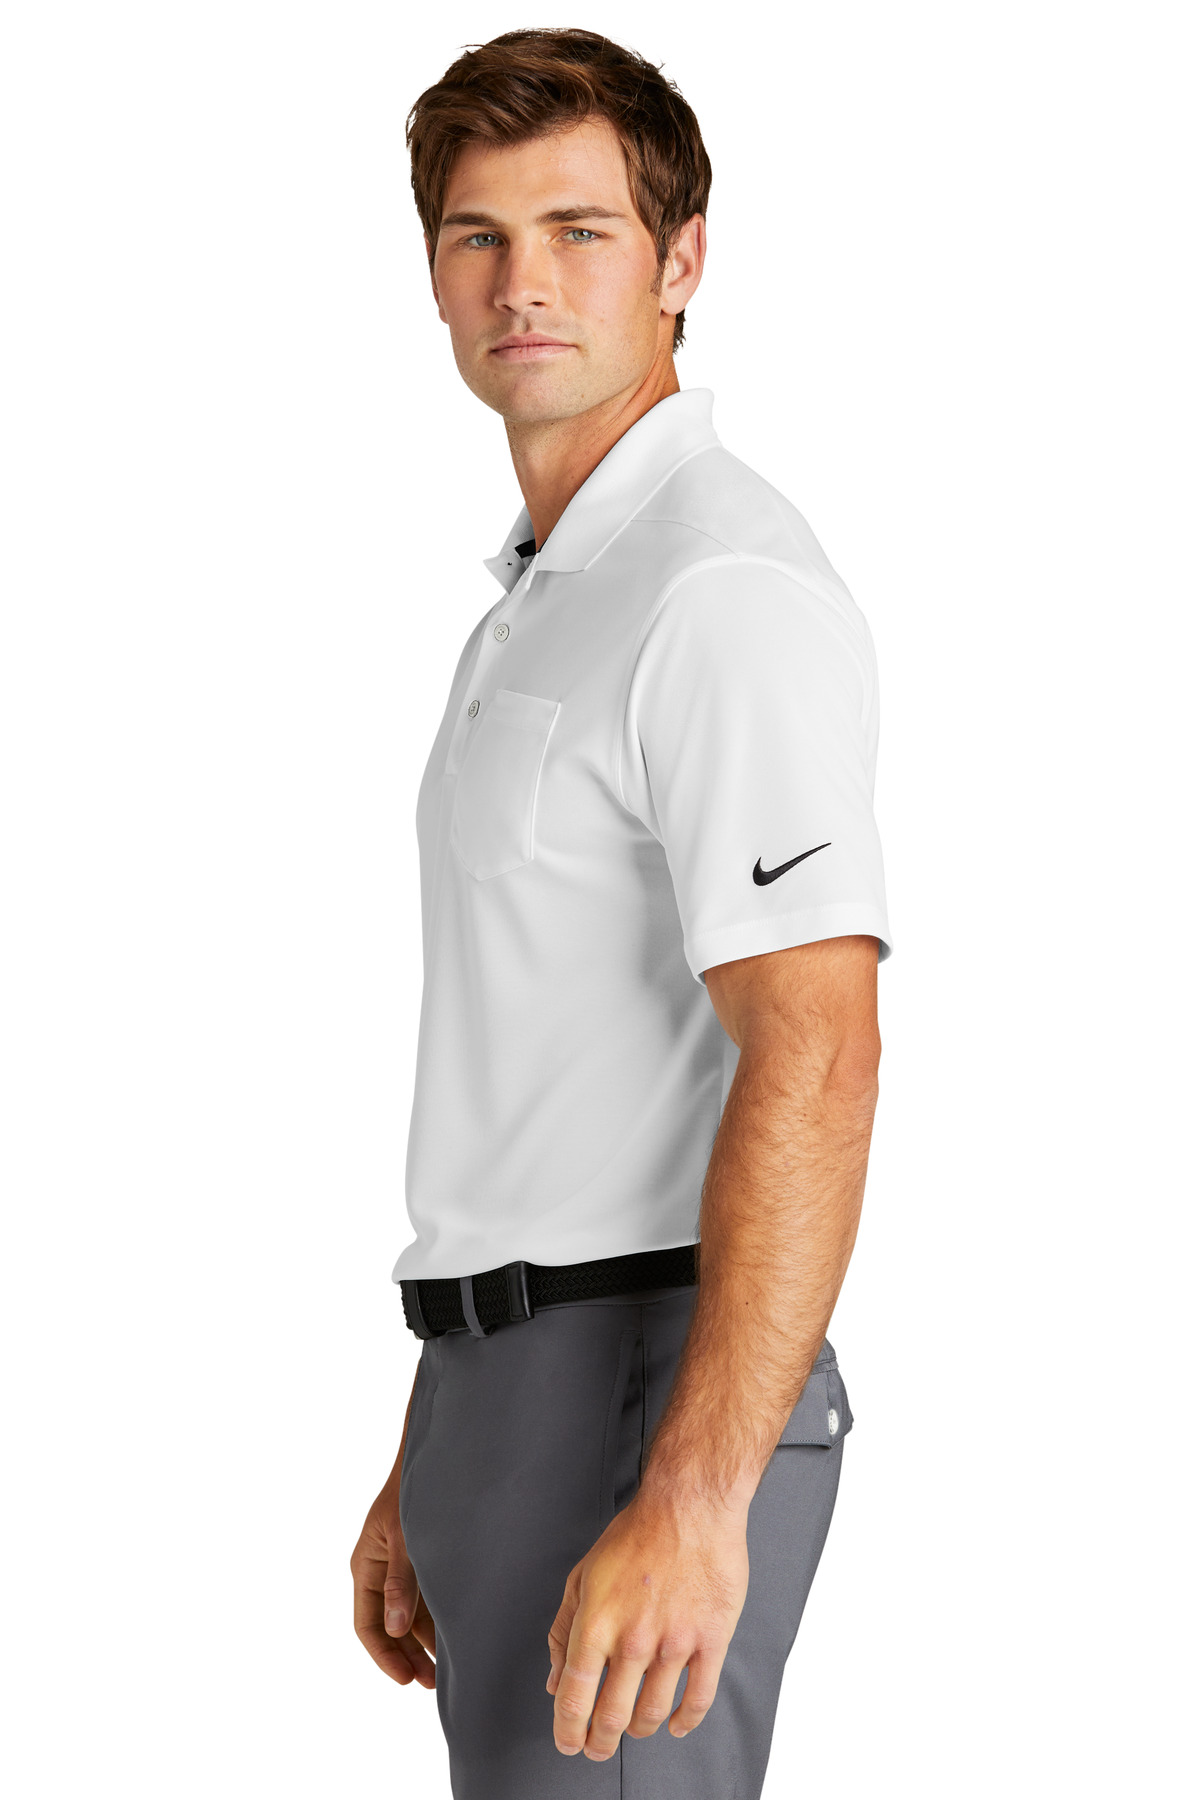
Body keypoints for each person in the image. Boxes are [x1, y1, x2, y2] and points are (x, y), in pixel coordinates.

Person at [350, 27, 891, 1799]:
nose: (523, 282)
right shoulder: (549, 597)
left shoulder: (715, 588)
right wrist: (439, 1438)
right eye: (478, 235)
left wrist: (696, 1494)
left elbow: (817, 1051)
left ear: (682, 259)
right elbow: (556, 1068)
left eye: (580, 231)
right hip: (517, 1395)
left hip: (648, 1396)